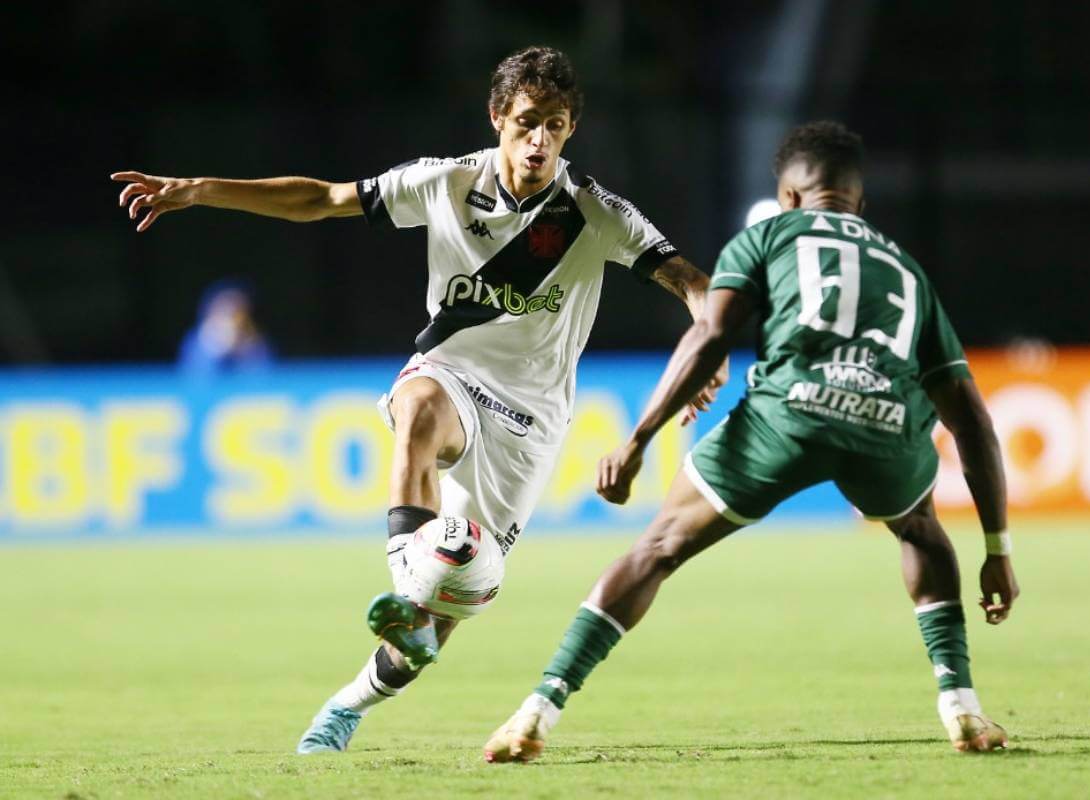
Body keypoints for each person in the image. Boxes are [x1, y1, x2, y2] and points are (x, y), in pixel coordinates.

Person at [112, 46, 726, 754]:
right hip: (454, 374)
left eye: (556, 126)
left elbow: (693, 282)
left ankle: (352, 699)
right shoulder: (443, 183)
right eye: (527, 122)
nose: (539, 141)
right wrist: (198, 189)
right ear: (497, 117)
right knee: (420, 408)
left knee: (442, 620)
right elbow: (321, 198)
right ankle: (408, 571)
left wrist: (707, 339)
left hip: (529, 427)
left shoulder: (595, 213)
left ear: (570, 130)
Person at [484, 121, 1019, 762]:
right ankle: (962, 708)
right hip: (883, 425)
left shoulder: (767, 235)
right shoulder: (907, 272)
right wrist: (997, 548)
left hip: (787, 416)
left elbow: (711, 336)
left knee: (659, 546)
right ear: (860, 201)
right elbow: (972, 422)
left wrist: (637, 441)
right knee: (921, 531)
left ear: (789, 196)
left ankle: (535, 713)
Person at [178, 279, 274, 374]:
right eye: (226, 310)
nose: (232, 320)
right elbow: (192, 377)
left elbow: (266, 376)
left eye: (238, 312)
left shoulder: (255, 341)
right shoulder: (197, 341)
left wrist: (245, 350)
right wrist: (216, 347)